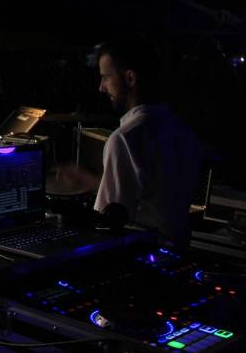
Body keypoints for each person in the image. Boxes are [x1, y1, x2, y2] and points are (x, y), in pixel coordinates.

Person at [57, 37, 202, 246]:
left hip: (141, 252)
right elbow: (154, 193)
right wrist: (93, 182)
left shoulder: (124, 138)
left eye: (105, 77)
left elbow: (107, 220)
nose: (101, 87)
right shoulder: (179, 127)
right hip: (178, 248)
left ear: (130, 78)